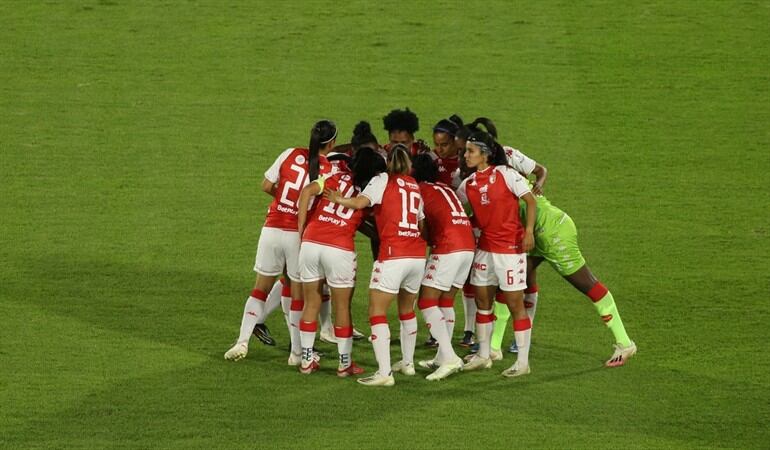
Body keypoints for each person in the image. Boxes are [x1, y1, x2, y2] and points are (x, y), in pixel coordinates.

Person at [224, 120, 336, 364]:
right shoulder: (329, 170)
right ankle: (296, 353)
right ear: (332, 143)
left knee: (260, 289)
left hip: (271, 229)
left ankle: (242, 341)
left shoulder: (290, 153)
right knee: (297, 295)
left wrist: (285, 201)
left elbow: (266, 185)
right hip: (297, 235)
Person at [489, 184, 638, 366]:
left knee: (588, 284)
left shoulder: (501, 177)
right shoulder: (507, 172)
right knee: (510, 281)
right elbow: (538, 171)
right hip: (540, 230)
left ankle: (625, 344)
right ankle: (494, 347)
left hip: (552, 234)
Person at [325, 144, 426, 387]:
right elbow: (421, 223)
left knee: (377, 311)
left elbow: (360, 203)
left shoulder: (382, 179)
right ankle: (408, 363)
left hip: (393, 254)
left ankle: (384, 373)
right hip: (417, 255)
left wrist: (338, 198)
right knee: (407, 310)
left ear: (388, 162)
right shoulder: (414, 185)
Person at [295, 147, 386, 376]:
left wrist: (302, 230)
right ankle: (344, 364)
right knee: (342, 306)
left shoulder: (334, 176)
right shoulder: (371, 190)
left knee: (311, 303)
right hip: (339, 248)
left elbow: (306, 191)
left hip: (311, 243)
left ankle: (306, 361)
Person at [456, 131, 538, 378]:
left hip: (510, 250)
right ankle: (483, 355)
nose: (466, 155)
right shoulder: (468, 184)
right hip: (485, 250)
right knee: (482, 303)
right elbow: (457, 210)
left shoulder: (506, 174)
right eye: (466, 150)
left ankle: (522, 362)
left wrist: (529, 232)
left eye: (470, 151)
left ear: (485, 154)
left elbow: (531, 201)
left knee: (515, 304)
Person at [411, 153, 474, 380]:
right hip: (467, 245)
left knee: (427, 301)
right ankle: (441, 356)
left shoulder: (418, 191)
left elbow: (423, 228)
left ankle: (449, 358)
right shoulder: (445, 188)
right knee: (445, 301)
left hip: (448, 246)